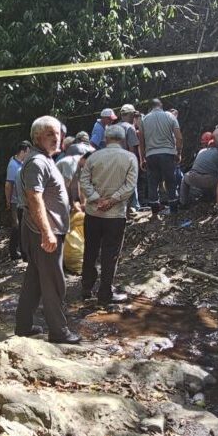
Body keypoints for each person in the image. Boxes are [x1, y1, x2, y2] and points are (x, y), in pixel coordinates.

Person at [15, 115, 79, 344]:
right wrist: (47, 231)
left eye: (58, 133)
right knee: (53, 282)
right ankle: (59, 331)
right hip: (43, 231)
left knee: (34, 280)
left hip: (43, 230)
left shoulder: (44, 159)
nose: (56, 137)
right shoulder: (37, 162)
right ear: (37, 137)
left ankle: (23, 326)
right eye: (50, 134)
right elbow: (34, 197)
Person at [78, 123, 138, 303]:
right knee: (110, 253)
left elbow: (84, 181)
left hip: (93, 213)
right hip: (115, 215)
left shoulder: (93, 157)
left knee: (90, 250)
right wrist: (112, 200)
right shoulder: (130, 158)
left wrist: (97, 199)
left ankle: (86, 288)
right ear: (122, 139)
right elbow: (130, 185)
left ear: (105, 138)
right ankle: (105, 293)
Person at [138, 98, 183, 213]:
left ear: (150, 107)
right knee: (170, 180)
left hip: (151, 154)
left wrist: (142, 158)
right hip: (167, 153)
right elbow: (179, 137)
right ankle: (173, 207)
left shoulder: (144, 119)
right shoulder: (170, 116)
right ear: (161, 105)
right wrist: (178, 153)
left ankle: (154, 208)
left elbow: (141, 141)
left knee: (153, 181)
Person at [5, 141, 31, 261]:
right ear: (23, 151)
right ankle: (13, 252)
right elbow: (8, 184)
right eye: (28, 152)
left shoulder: (21, 163)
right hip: (15, 200)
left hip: (21, 200)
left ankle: (21, 250)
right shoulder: (13, 165)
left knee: (21, 226)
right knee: (16, 226)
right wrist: (8, 200)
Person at [180, 132, 218, 207]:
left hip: (194, 177)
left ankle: (183, 203)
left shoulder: (201, 151)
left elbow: (195, 168)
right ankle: (215, 197)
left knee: (184, 179)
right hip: (209, 180)